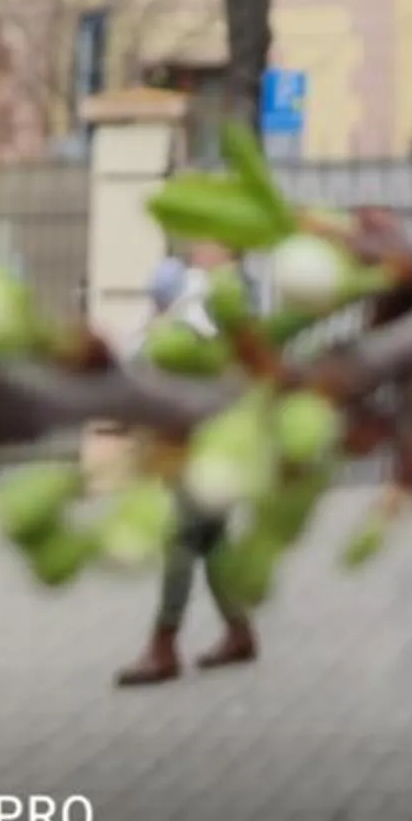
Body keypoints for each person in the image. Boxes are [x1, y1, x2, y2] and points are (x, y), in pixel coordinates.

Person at [115, 243, 260, 688]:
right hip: (203, 438)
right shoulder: (204, 295)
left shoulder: (222, 297)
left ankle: (163, 647)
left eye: (206, 245)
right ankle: (239, 632)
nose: (197, 250)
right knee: (212, 537)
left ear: (227, 251)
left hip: (209, 439)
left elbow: (192, 357)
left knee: (180, 535)